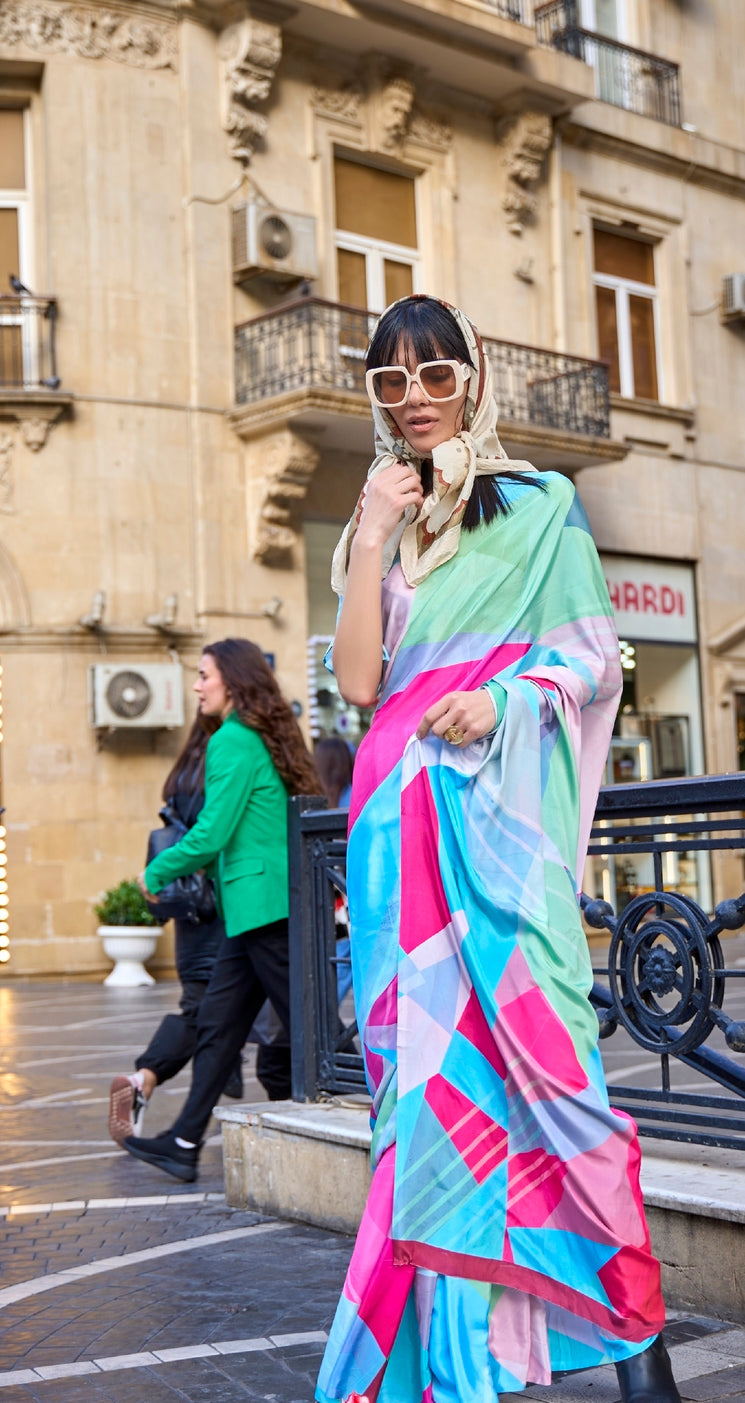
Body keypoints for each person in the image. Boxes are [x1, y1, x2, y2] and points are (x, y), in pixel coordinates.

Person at [316, 295, 681, 1403]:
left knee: (563, 1081)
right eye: (391, 381)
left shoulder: (540, 505)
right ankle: (449, 1367)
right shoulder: (370, 521)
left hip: (500, 841)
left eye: (435, 375)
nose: (415, 398)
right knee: (421, 1105)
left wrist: (502, 699)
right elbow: (360, 687)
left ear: (472, 380)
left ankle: (640, 1353)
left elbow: (590, 660)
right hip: (395, 845)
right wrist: (373, 530)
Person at [122, 637, 321, 1183]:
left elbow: (213, 831)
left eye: (204, 675)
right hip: (256, 907)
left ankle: (381, 1105)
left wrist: (157, 871)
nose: (196, 685)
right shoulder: (255, 737)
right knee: (218, 1023)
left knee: (310, 1025)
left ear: (231, 681)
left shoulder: (231, 740)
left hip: (262, 907)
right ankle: (184, 1142)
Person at [108, 713, 243, 1145]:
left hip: (189, 917)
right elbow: (213, 837)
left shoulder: (181, 774)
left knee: (209, 1008)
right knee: (209, 1011)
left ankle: (169, 1087)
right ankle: (146, 1079)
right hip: (221, 912)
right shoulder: (225, 767)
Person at [315, 738, 356, 1003]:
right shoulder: (353, 793)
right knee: (350, 955)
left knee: (337, 956)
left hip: (326, 891)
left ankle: (324, 1015)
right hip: (350, 888)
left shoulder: (313, 797)